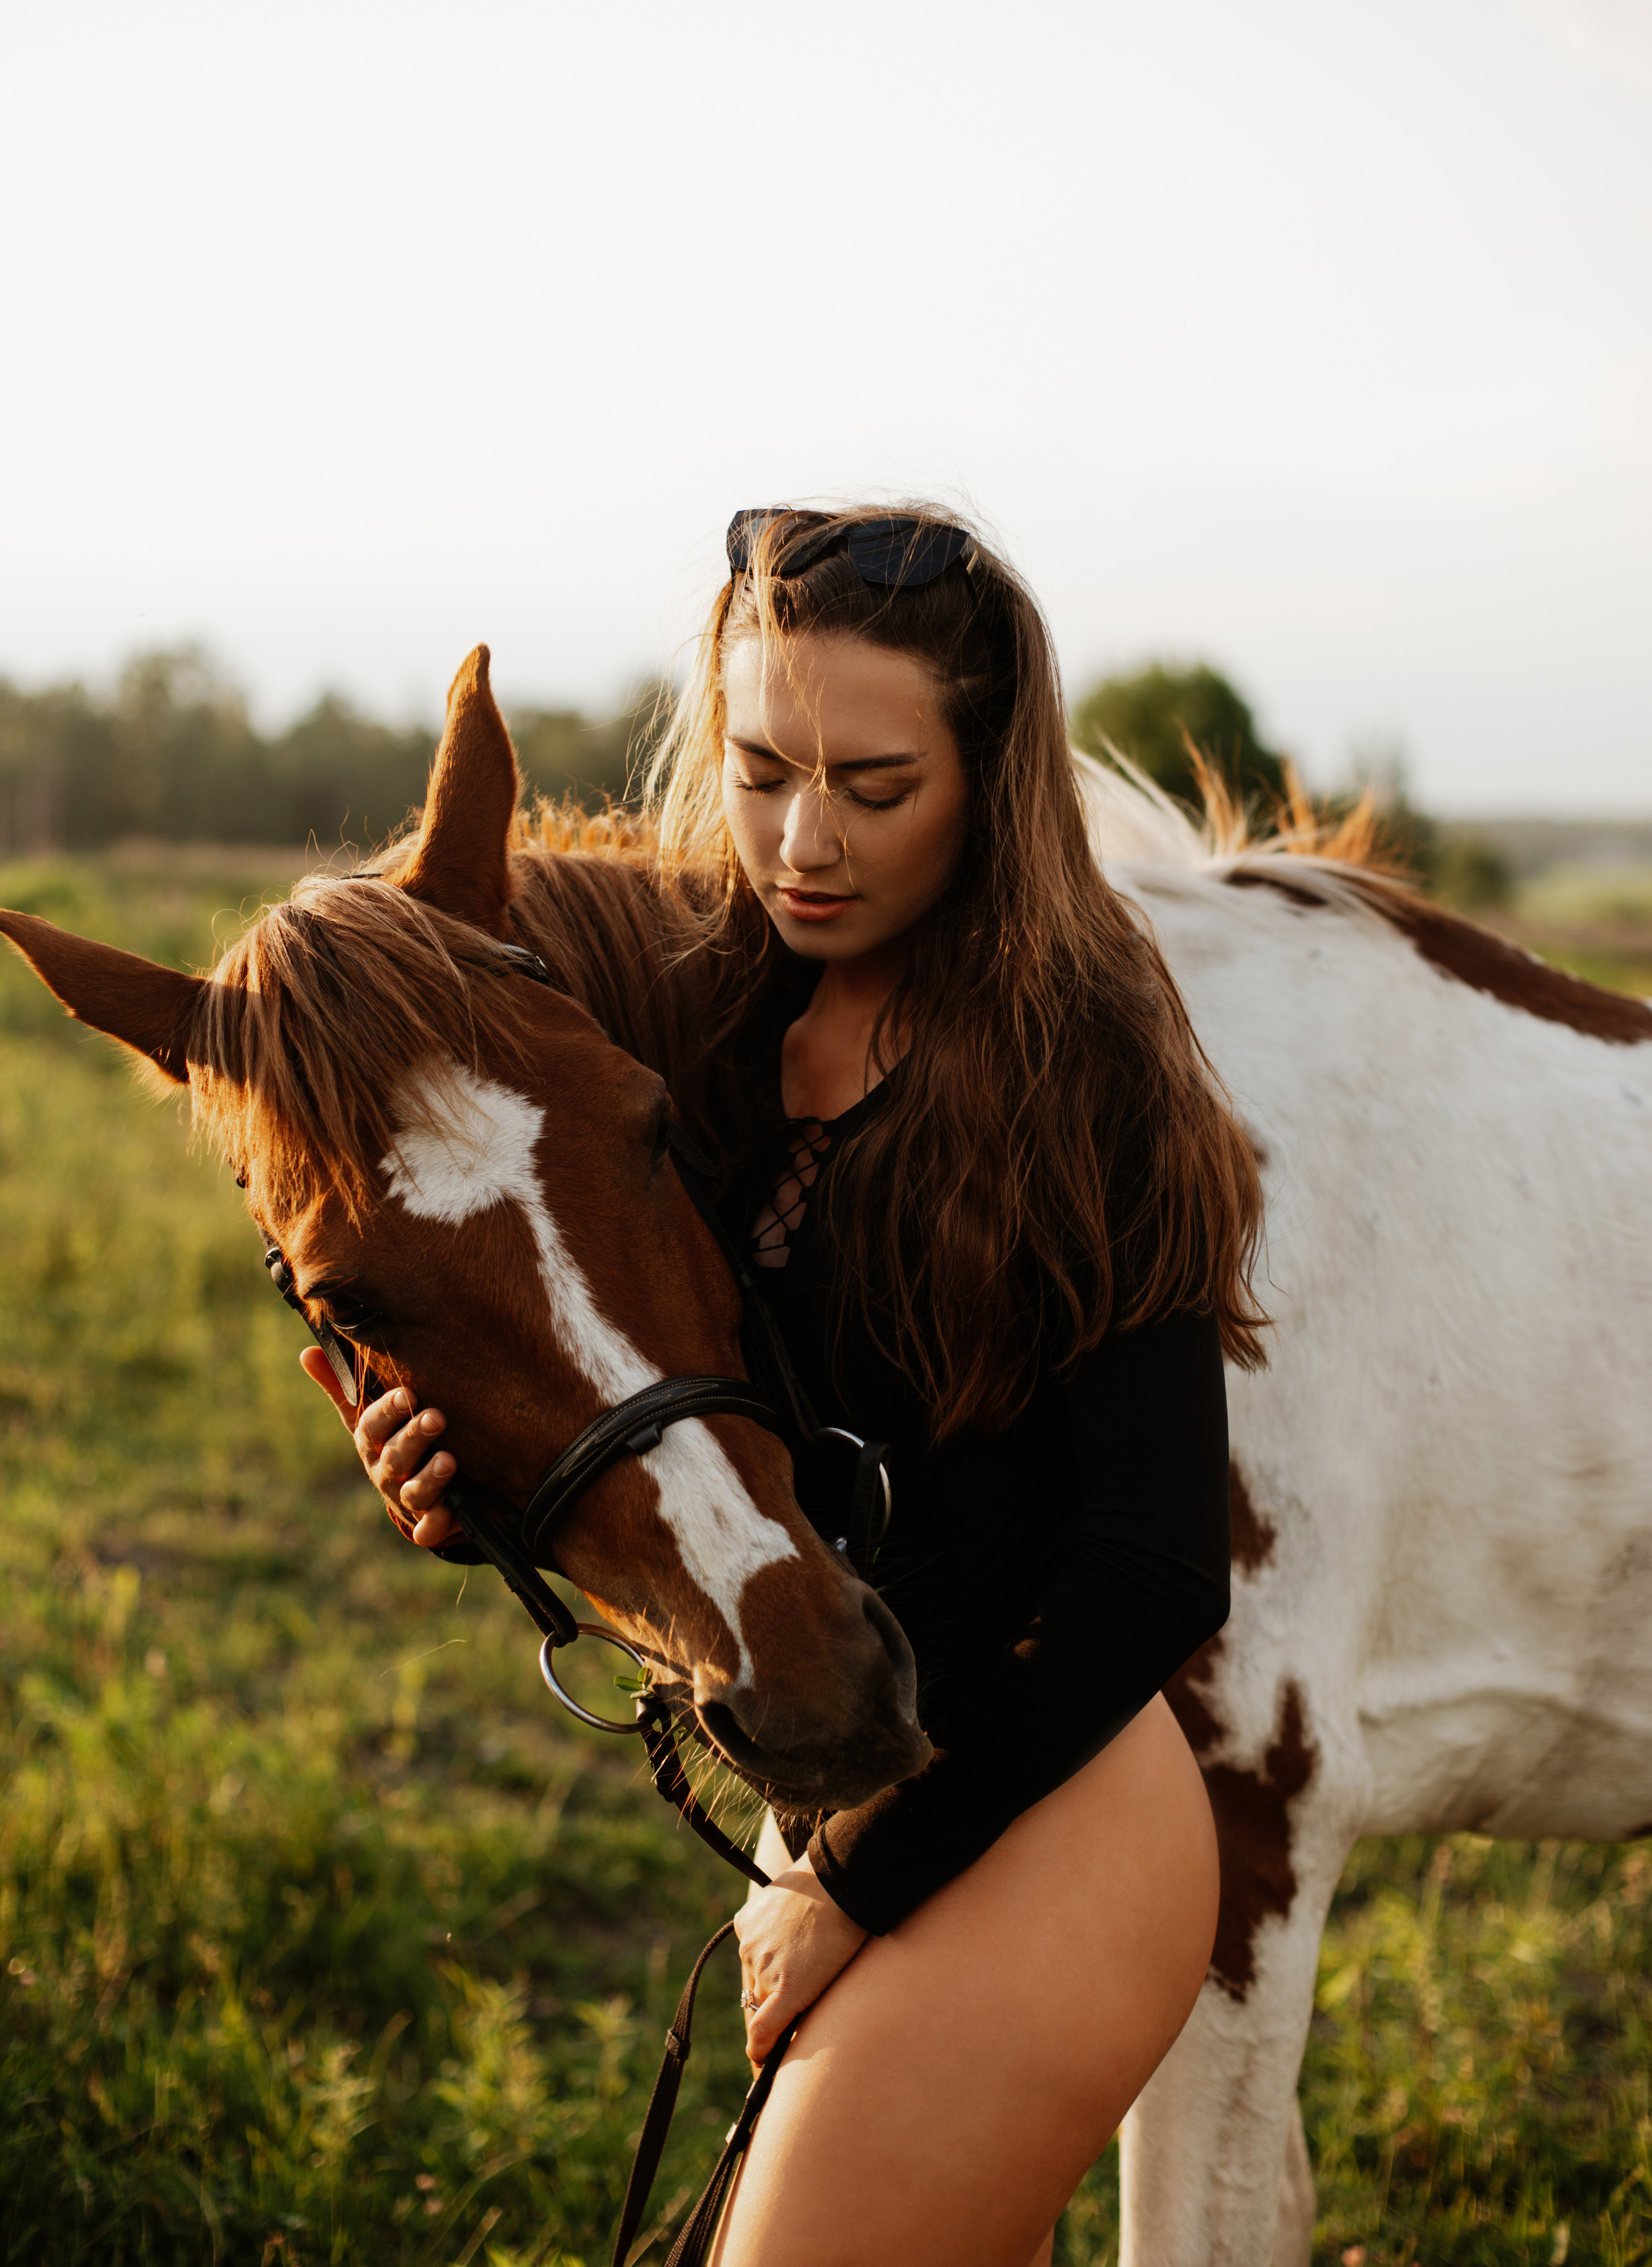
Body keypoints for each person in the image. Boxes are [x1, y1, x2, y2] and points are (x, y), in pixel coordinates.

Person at [310, 506, 1266, 2266]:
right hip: (841, 1785)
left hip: (1053, 1810)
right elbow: (630, 1374)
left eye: (876, 786)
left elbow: (1155, 1571)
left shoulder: (1088, 1062)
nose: (802, 843)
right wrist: (459, 1474)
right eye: (760, 772)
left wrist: (851, 1883)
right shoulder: (708, 1021)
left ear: (991, 777)